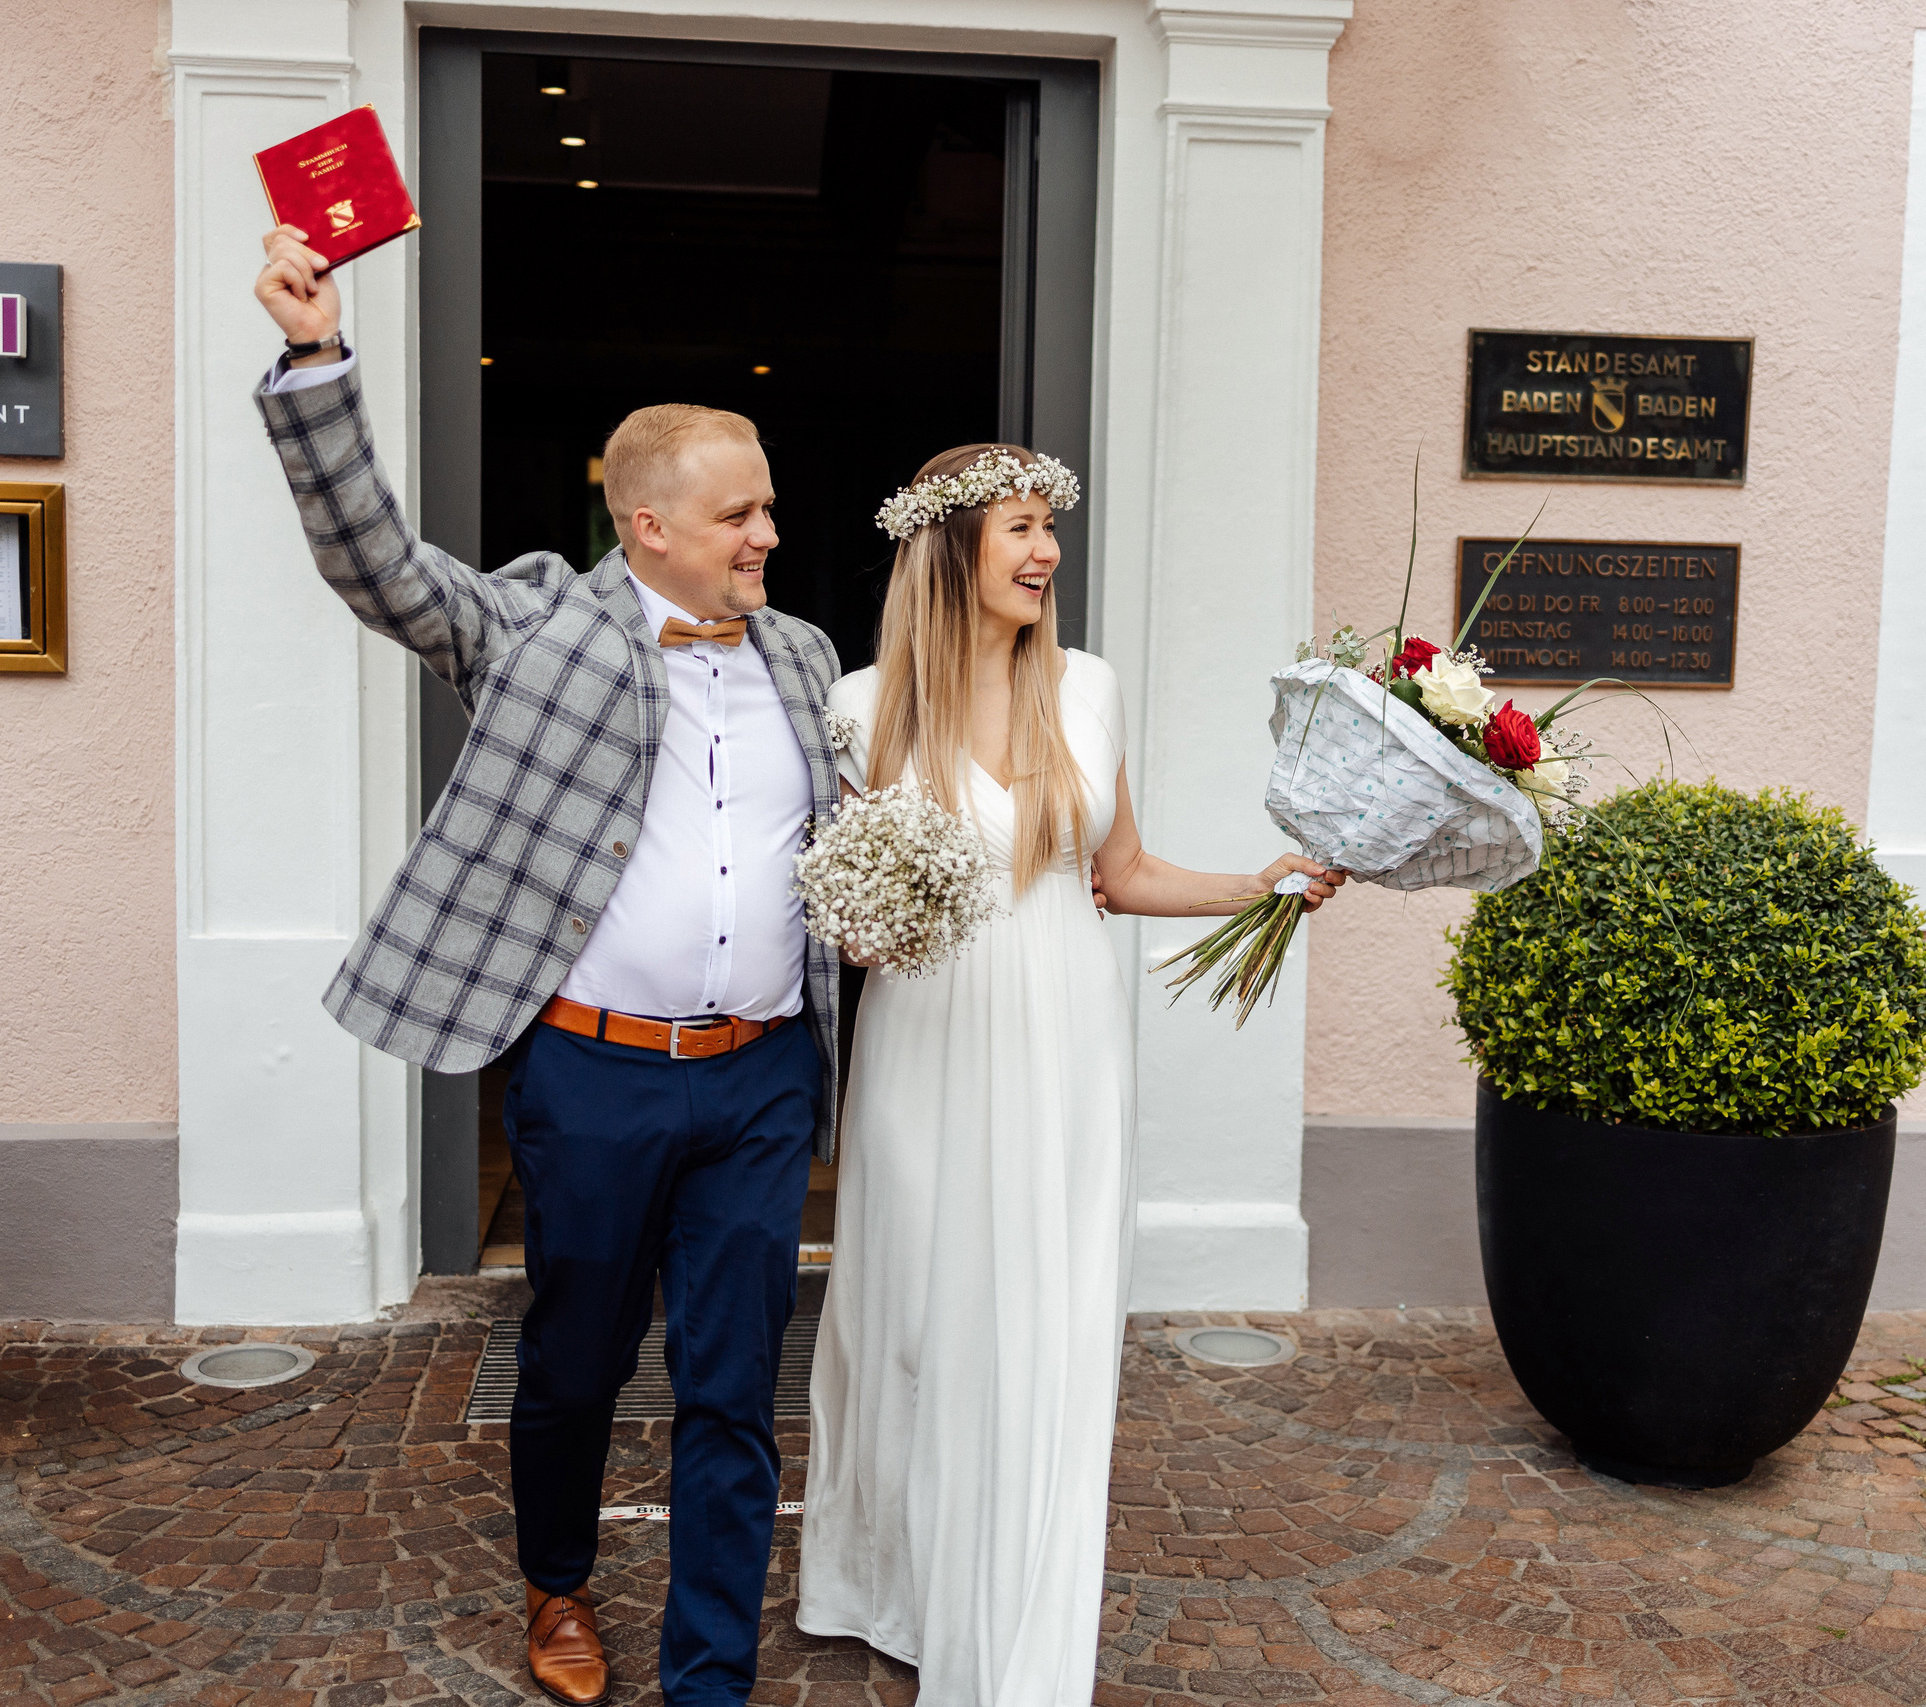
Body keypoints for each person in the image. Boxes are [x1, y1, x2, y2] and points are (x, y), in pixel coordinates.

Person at [250, 225, 841, 1707]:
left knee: (732, 1381)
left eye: (769, 508)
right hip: (591, 1074)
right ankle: (558, 1580)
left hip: (764, 1075)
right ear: (645, 521)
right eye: (737, 514)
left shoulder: (809, 658)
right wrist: (319, 360)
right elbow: (376, 563)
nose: (767, 534)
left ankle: (706, 1669)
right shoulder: (532, 622)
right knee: (576, 1361)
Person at [796, 445, 1346, 1705]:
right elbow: (846, 920)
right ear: (950, 550)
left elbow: (1121, 874)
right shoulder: (864, 705)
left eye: (1050, 529)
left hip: (1067, 1038)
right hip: (929, 1040)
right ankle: (896, 1583)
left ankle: (1020, 1613)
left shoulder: (1085, 690)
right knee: (919, 1313)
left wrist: (1257, 887)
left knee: (1044, 1314)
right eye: (1021, 530)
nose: (1046, 553)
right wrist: (862, 922)